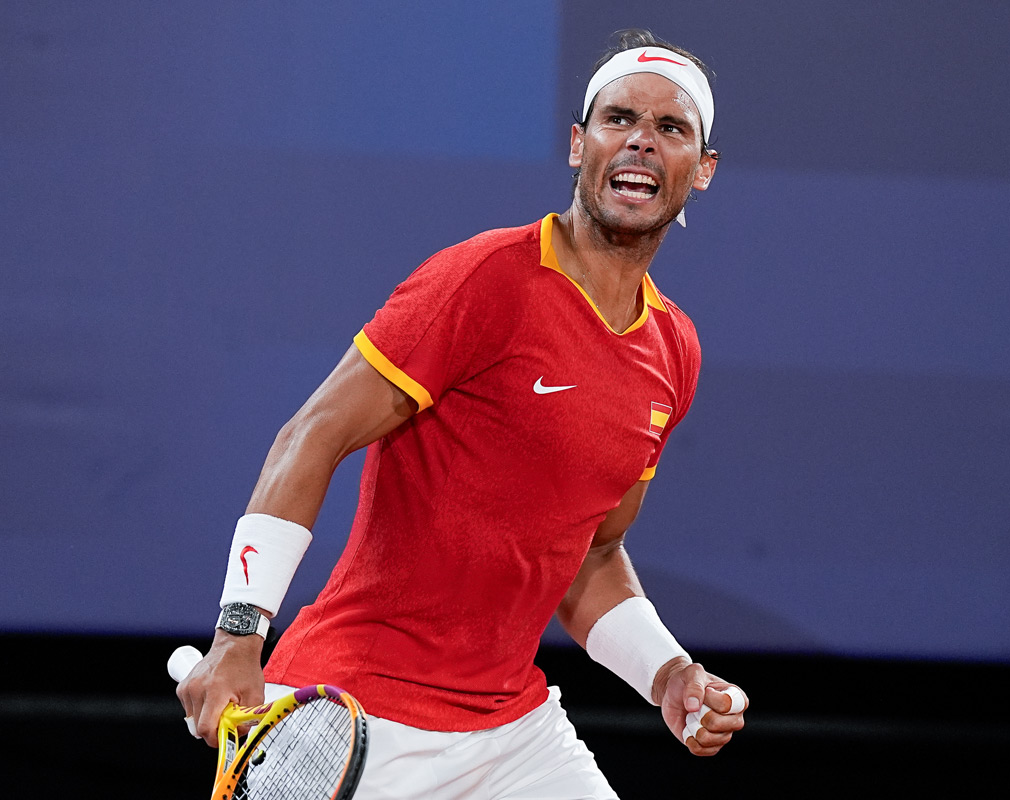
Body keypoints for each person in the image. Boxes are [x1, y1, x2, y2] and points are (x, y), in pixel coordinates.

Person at [176, 28, 748, 799]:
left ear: (702, 169)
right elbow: (311, 435)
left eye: (670, 127)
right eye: (619, 119)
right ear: (578, 145)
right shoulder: (483, 280)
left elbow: (591, 553)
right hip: (358, 704)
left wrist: (668, 673)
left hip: (513, 734)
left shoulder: (674, 350)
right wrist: (238, 634)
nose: (641, 140)